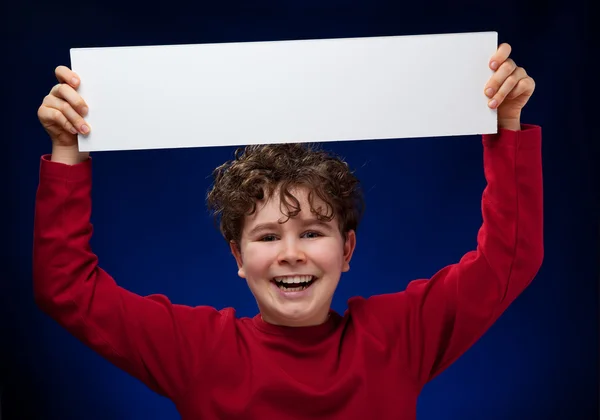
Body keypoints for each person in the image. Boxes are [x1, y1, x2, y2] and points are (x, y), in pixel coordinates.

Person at [33, 42, 543, 419]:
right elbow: (66, 287)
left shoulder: (397, 338)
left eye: (314, 232)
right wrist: (67, 150)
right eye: (268, 236)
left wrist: (507, 125)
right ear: (236, 254)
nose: (291, 253)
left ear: (348, 248)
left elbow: (509, 259)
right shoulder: (196, 350)